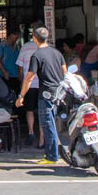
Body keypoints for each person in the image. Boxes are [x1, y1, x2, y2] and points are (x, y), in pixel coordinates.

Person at [16, 26, 67, 166]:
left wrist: (21, 95)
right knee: (53, 123)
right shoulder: (57, 53)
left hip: (46, 93)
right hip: (59, 93)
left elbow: (29, 78)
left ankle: (52, 156)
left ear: (34, 37)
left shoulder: (37, 55)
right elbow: (65, 72)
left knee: (48, 124)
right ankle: (54, 153)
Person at [15, 31, 42, 147]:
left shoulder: (25, 47)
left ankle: (31, 132)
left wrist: (21, 82)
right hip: (43, 84)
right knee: (43, 111)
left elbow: (20, 68)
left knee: (29, 110)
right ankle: (42, 138)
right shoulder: (48, 48)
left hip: (28, 84)